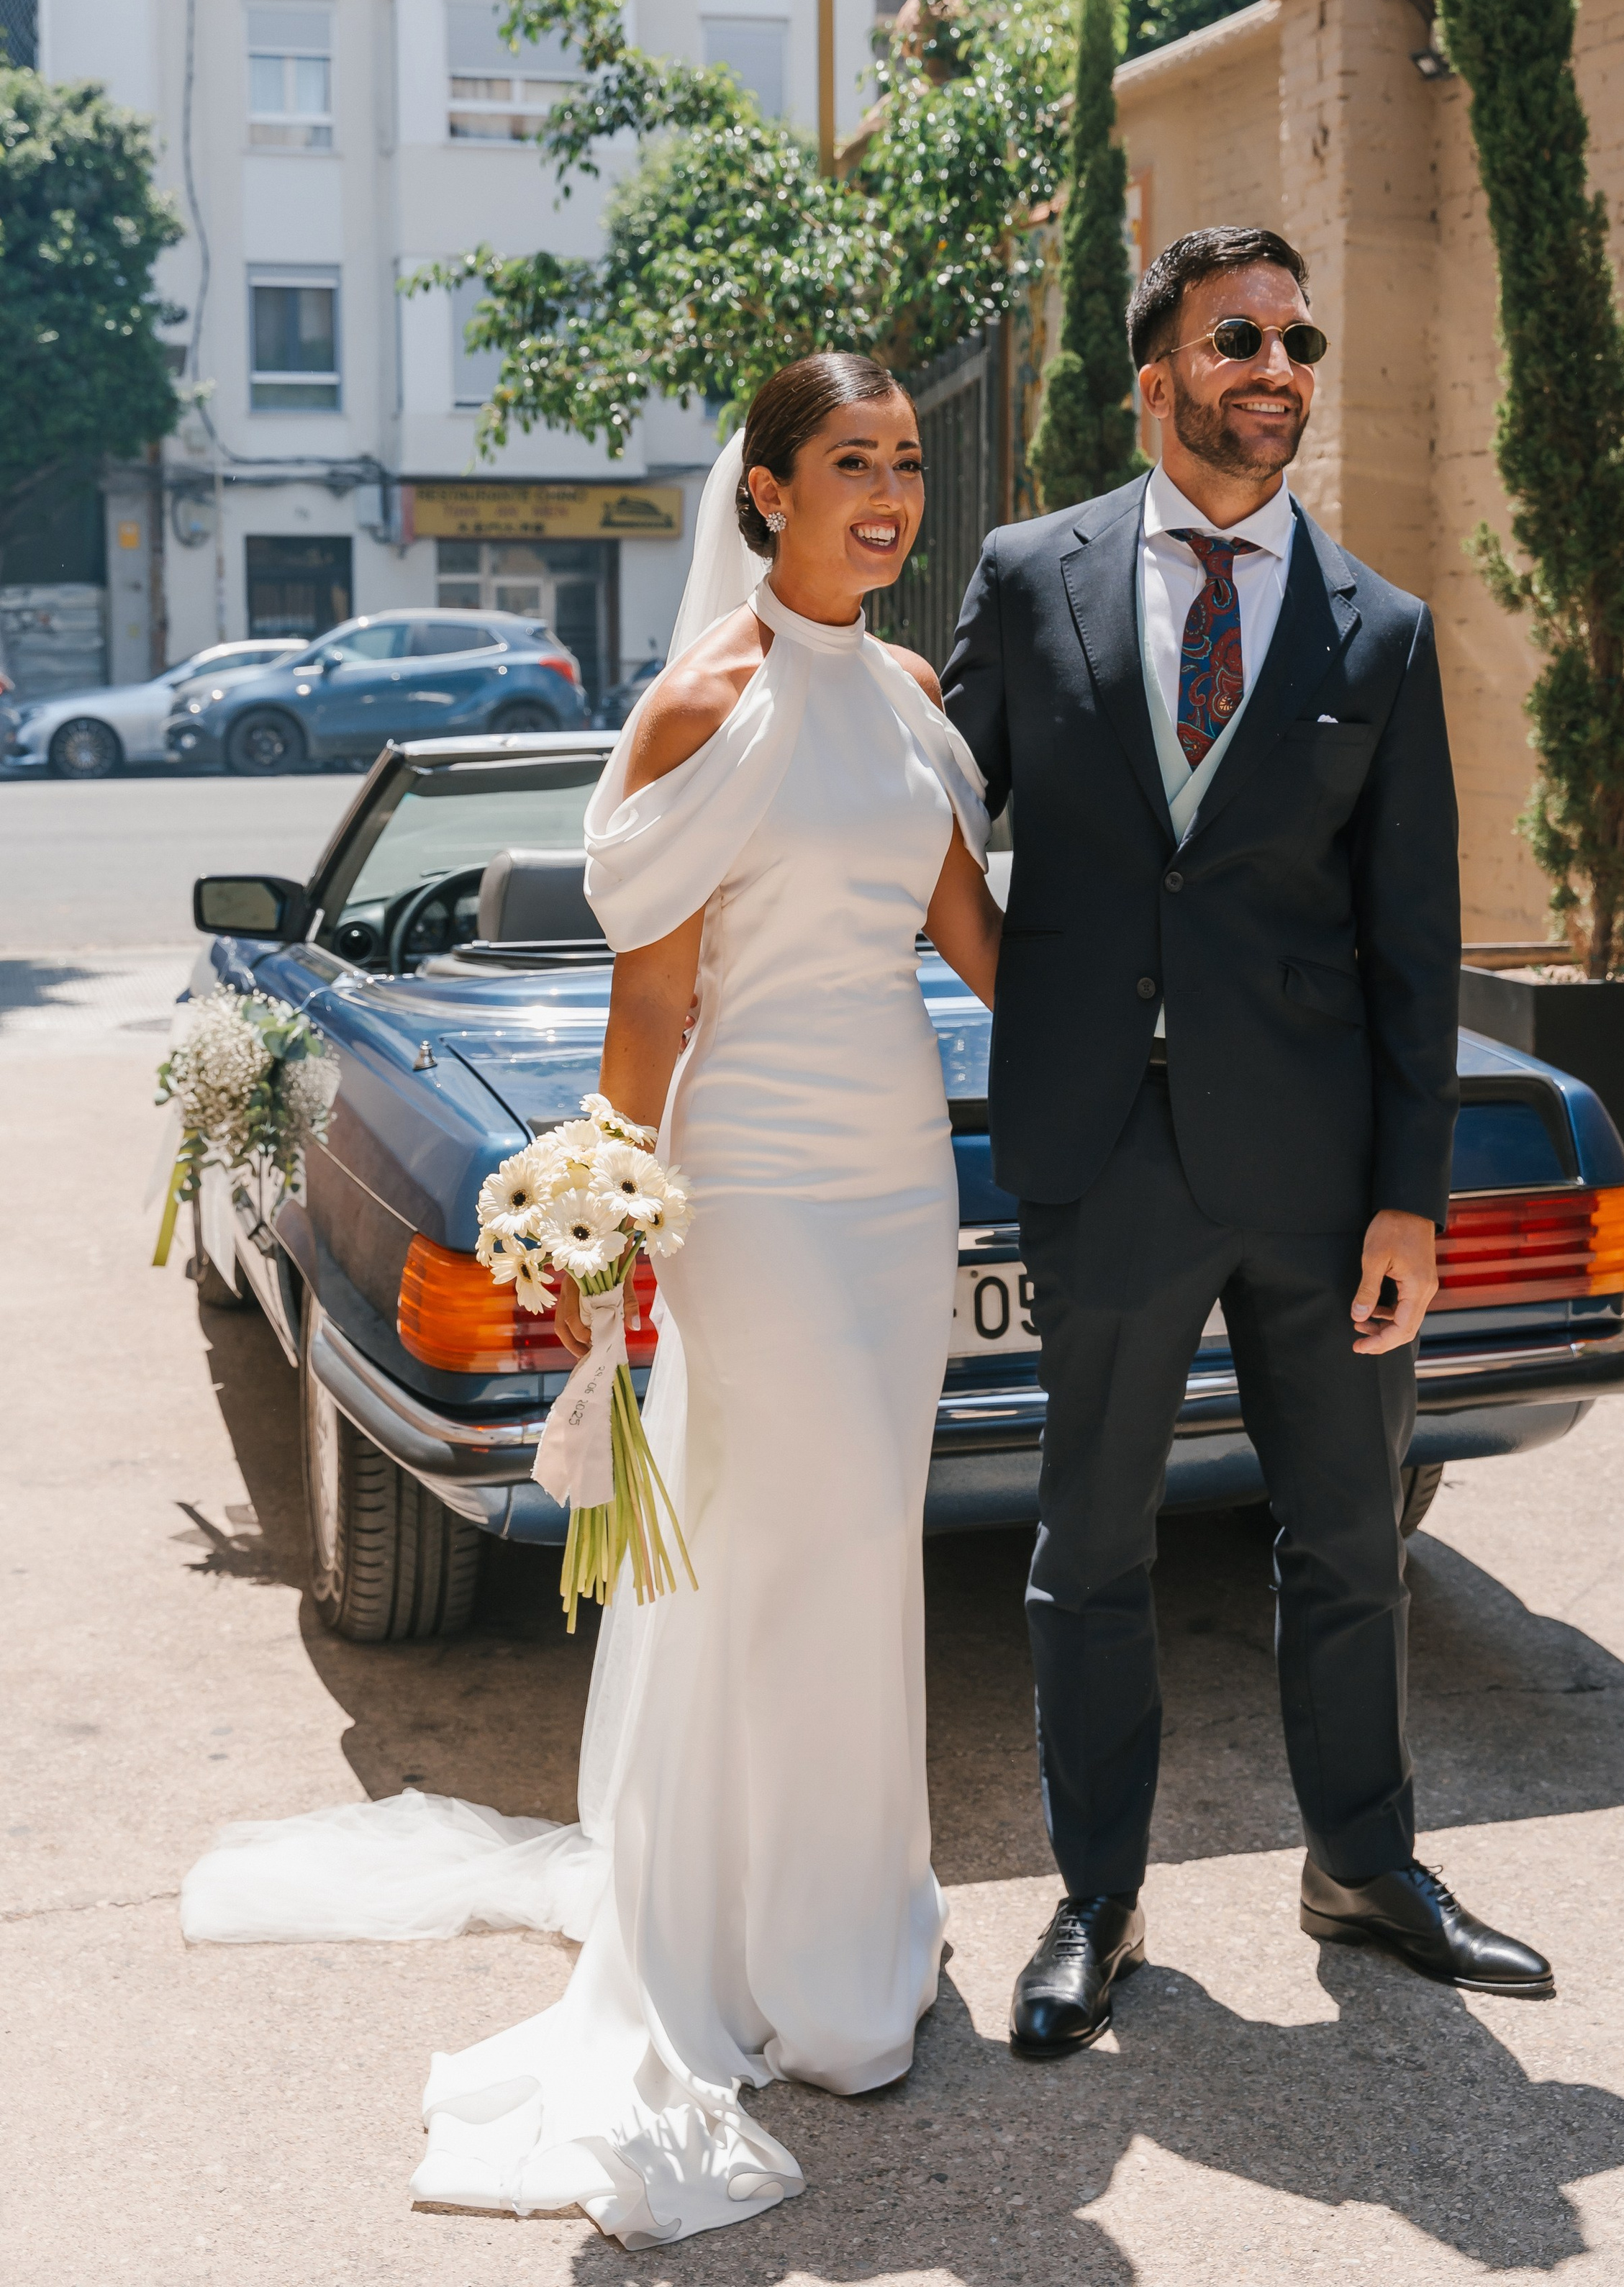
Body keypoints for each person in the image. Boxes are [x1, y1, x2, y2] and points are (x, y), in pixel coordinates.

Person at [181, 353, 1003, 2248]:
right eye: (848, 467)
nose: (886, 495)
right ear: (767, 497)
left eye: (902, 466)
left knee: (870, 1541)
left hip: (895, 1182)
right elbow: (651, 1008)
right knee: (775, 1542)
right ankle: (750, 1967)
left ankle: (850, 1927)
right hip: (763, 1194)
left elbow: (977, 940)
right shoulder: (704, 698)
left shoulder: (908, 693)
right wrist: (606, 1208)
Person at [942, 225, 1553, 2060]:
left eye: (1298, 338)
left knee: (1348, 1538)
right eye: (1238, 336)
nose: (1277, 367)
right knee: (1089, 1548)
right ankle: (1097, 1901)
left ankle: (1362, 1868)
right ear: (1158, 376)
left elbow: (1409, 936)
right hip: (1103, 1152)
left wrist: (1407, 1200)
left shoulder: (1378, 628)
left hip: (1313, 1173)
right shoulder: (1025, 574)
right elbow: (919, 806)